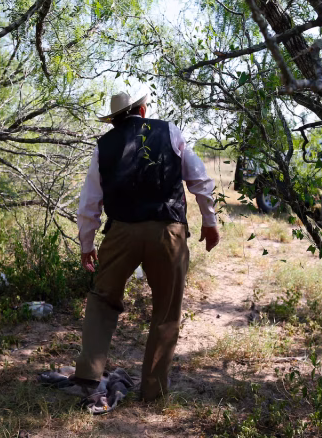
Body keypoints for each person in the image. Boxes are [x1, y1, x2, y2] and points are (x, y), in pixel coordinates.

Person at [74, 91, 220, 401]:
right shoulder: (169, 131)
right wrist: (210, 221)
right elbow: (199, 180)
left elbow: (89, 203)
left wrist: (87, 244)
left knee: (102, 299)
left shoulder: (104, 145)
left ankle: (88, 375)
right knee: (166, 309)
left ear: (113, 119)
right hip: (168, 231)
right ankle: (153, 391)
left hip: (121, 233)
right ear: (142, 109)